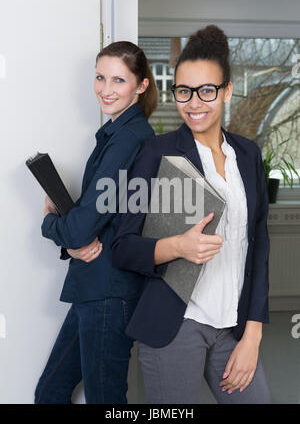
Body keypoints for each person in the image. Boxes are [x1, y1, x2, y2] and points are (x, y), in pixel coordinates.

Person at [111, 25, 272, 404]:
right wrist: (176, 246)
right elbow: (123, 247)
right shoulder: (155, 152)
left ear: (227, 91)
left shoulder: (248, 155)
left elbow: (259, 246)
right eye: (183, 91)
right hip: (175, 325)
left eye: (207, 91)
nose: (193, 103)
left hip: (233, 327)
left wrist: (253, 335)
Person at [34, 41, 157, 404]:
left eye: (119, 80)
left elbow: (80, 227)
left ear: (141, 85)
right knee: (50, 392)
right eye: (100, 77)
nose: (106, 89)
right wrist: (72, 238)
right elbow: (99, 218)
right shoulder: (116, 135)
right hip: (95, 289)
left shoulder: (128, 140)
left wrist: (50, 224)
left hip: (109, 292)